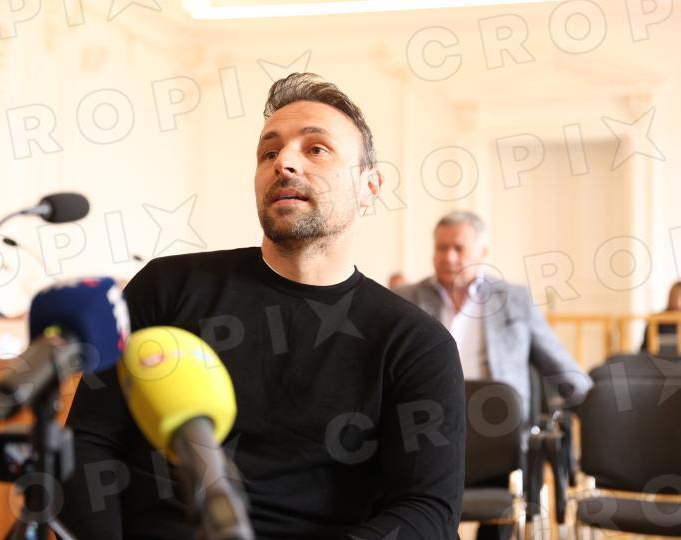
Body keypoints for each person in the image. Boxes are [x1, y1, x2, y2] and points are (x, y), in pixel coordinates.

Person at [60, 73, 465, 539]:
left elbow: (426, 510)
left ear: (369, 187)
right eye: (269, 153)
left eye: (316, 149)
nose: (284, 162)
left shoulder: (416, 344)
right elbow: (88, 443)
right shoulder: (165, 287)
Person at [393, 211, 591, 539]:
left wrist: (596, 408)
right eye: (441, 248)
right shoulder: (406, 299)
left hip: (497, 435)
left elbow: (560, 366)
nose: (449, 257)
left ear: (482, 251)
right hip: (426, 432)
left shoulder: (515, 300)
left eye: (459, 248)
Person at [640, 281, 681, 355]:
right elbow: (644, 350)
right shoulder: (656, 320)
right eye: (676, 297)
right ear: (670, 298)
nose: (678, 303)